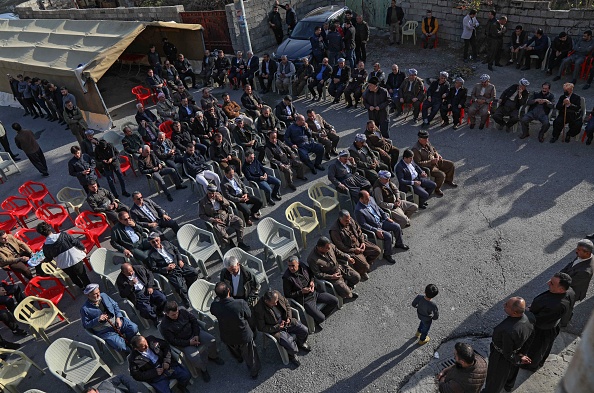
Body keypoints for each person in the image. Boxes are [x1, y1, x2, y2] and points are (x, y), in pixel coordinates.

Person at [160, 301, 224, 382]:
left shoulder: (182, 311)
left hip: (195, 333)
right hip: (185, 342)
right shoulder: (165, 326)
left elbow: (194, 320)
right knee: (194, 357)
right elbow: (173, 341)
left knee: (211, 340)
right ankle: (203, 369)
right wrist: (189, 342)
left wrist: (196, 334)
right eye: (173, 315)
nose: (176, 315)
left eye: (177, 313)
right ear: (167, 313)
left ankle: (213, 356)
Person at [521, 273, 572, 372]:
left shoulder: (558, 305)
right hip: (547, 325)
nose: (548, 283)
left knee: (535, 350)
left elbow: (539, 319)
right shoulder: (563, 293)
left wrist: (526, 312)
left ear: (561, 289)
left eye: (552, 283)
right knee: (542, 349)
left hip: (543, 330)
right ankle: (539, 361)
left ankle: (531, 366)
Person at [482, 297, 534, 393]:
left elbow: (507, 354)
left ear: (514, 312)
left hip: (500, 356)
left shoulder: (507, 330)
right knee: (512, 371)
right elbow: (530, 337)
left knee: (495, 378)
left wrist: (518, 359)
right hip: (518, 350)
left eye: (507, 305)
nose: (504, 305)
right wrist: (522, 354)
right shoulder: (530, 317)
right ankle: (508, 386)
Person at [210, 282, 261, 379]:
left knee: (233, 350)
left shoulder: (215, 306)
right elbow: (248, 315)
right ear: (229, 291)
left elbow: (213, 311)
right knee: (250, 355)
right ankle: (254, 372)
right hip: (243, 335)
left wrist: (217, 299)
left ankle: (239, 358)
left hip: (227, 335)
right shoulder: (240, 303)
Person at [254, 289, 311, 367]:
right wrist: (277, 327)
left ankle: (300, 343)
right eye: (274, 303)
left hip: (286, 321)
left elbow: (287, 304)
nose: (276, 303)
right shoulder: (259, 309)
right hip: (275, 328)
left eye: (277, 301)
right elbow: (261, 328)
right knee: (291, 346)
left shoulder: (276, 294)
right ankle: (291, 355)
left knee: (304, 330)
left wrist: (289, 317)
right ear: (267, 301)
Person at [282, 256, 338, 328]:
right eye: (289, 266)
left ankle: (318, 316)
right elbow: (287, 294)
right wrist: (301, 292)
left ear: (298, 263)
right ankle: (318, 318)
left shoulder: (302, 266)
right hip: (305, 300)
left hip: (315, 292)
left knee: (335, 301)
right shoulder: (287, 278)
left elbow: (311, 273)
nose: (291, 268)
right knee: (322, 318)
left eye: (293, 265)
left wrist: (312, 281)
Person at [81, 284, 139, 353]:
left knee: (133, 328)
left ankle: (130, 342)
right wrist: (97, 320)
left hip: (117, 322)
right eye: (95, 294)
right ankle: (133, 352)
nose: (98, 295)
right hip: (105, 331)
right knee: (120, 346)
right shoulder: (85, 309)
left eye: (98, 292)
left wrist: (118, 317)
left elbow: (115, 305)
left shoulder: (104, 295)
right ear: (88, 295)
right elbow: (86, 325)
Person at [147, 233, 198, 308]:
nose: (156, 243)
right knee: (180, 287)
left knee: (194, 272)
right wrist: (166, 268)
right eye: (153, 242)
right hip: (170, 271)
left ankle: (188, 286)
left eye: (156, 240)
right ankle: (185, 299)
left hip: (178, 264)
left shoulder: (166, 243)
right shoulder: (151, 255)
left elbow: (176, 250)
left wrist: (180, 260)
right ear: (150, 243)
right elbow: (153, 268)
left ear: (159, 239)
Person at [355, 190, 409, 257]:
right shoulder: (358, 210)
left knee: (397, 226)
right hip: (375, 227)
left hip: (381, 221)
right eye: (366, 199)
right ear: (361, 199)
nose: (369, 200)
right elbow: (363, 225)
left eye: (369, 197)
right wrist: (375, 230)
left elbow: (379, 209)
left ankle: (399, 243)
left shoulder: (371, 199)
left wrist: (386, 218)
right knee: (388, 236)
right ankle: (387, 254)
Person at [37, 221, 90, 289]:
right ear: (50, 228)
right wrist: (83, 248)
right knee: (83, 275)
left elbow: (49, 258)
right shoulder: (64, 235)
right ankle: (89, 288)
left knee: (73, 277)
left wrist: (44, 261)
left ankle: (81, 287)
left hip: (64, 265)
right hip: (75, 259)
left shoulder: (46, 247)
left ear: (41, 234)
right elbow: (75, 242)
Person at [330, 209, 382, 275]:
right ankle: (362, 270)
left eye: (349, 219)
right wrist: (354, 250)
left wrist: (362, 242)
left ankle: (364, 264)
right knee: (366, 266)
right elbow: (341, 247)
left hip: (359, 243)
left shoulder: (350, 219)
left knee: (377, 250)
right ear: (340, 219)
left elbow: (359, 230)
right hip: (350, 249)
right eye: (346, 220)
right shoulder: (334, 231)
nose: (348, 221)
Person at [199, 184, 250, 250]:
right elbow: (201, 215)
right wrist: (213, 220)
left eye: (213, 193)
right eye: (209, 193)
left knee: (239, 221)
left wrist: (221, 200)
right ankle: (230, 243)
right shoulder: (202, 202)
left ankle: (240, 242)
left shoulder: (218, 194)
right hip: (215, 219)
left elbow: (228, 204)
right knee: (221, 232)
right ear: (207, 192)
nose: (212, 195)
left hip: (225, 215)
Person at [116, 263, 167, 327]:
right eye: (128, 273)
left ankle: (159, 311)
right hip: (137, 296)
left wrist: (150, 286)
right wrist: (130, 285)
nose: (131, 274)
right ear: (123, 273)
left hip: (146, 288)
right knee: (146, 310)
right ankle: (155, 318)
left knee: (162, 298)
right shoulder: (120, 280)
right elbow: (123, 294)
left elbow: (150, 274)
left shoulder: (139, 268)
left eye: (131, 271)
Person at [412, 130, 457, 197]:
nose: (427, 140)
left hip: (436, 161)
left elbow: (433, 149)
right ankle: (437, 189)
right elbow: (418, 164)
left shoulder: (427, 142)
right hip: (429, 167)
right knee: (441, 175)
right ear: (420, 139)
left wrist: (437, 155)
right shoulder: (416, 149)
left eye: (427, 138)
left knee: (451, 165)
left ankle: (448, 180)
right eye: (425, 139)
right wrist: (431, 162)